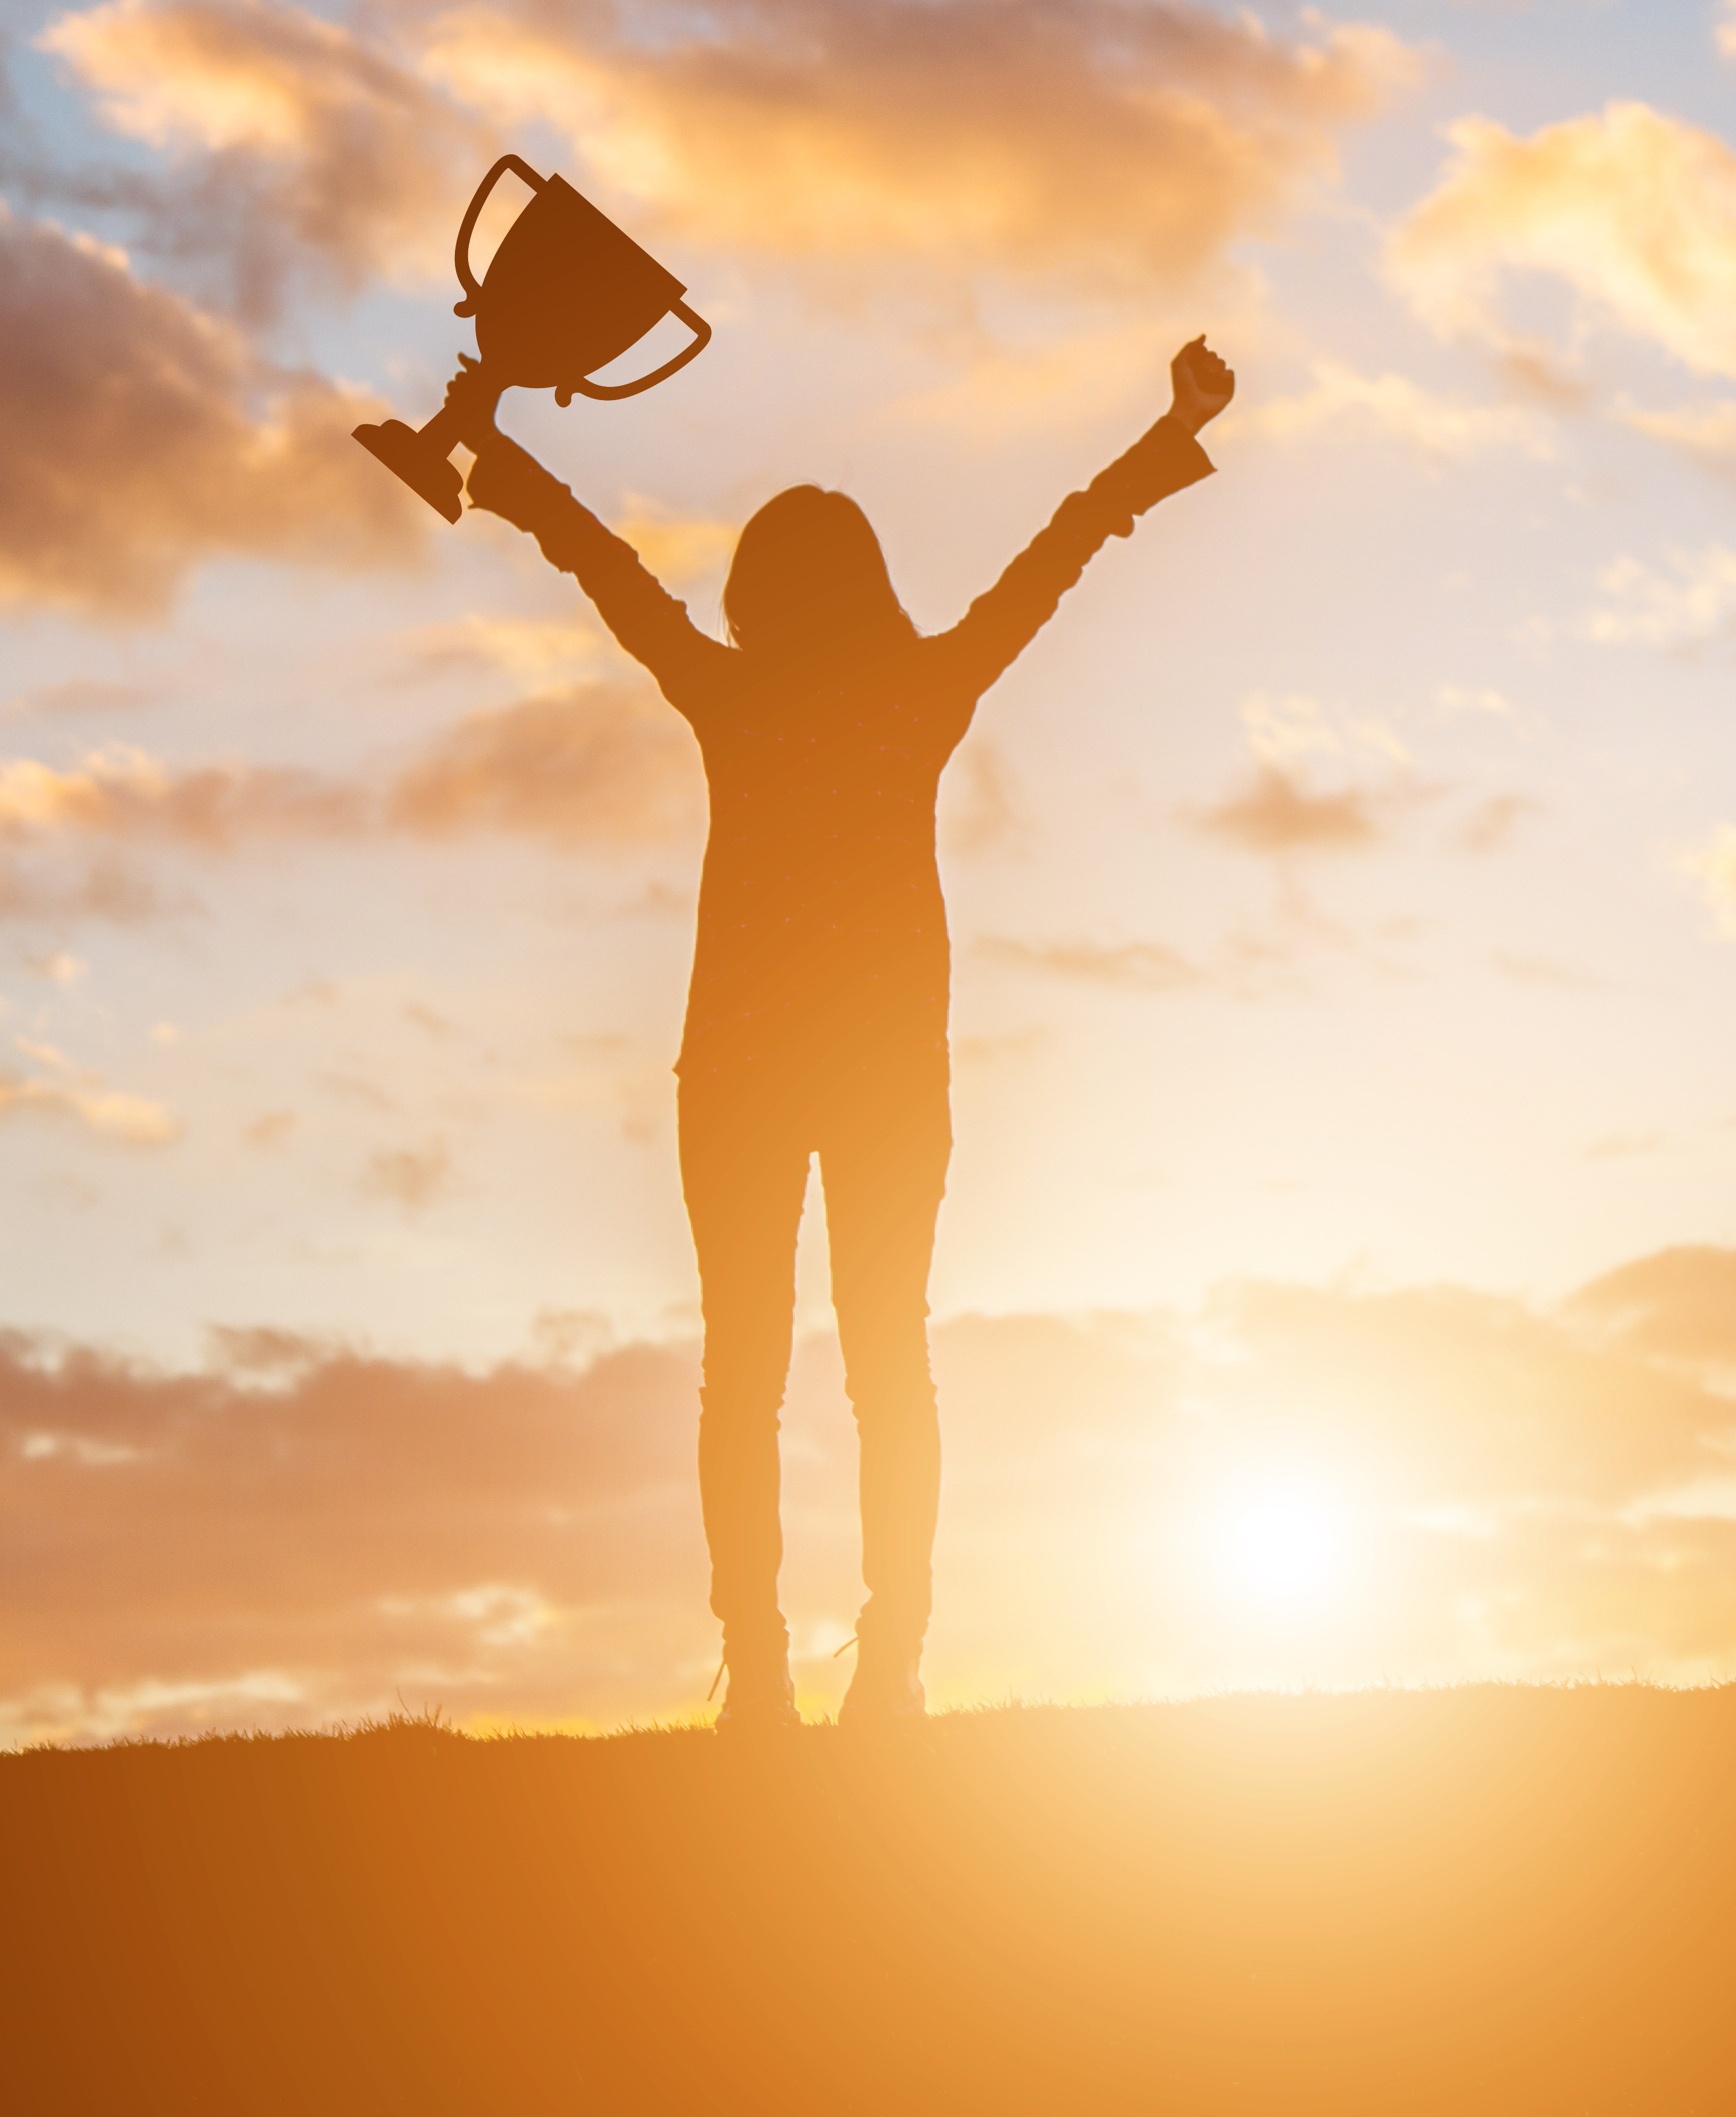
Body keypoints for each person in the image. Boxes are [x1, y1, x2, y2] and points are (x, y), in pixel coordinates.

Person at [460, 336, 1235, 1734]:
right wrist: (1164, 434)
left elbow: (606, 569)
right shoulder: (912, 695)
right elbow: (1056, 556)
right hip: (879, 1074)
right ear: (868, 585)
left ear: (757, 593)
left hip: (747, 1072)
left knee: (744, 1367)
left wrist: (500, 464)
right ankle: (889, 1665)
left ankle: (759, 1672)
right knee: (888, 1358)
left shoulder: (738, 693)